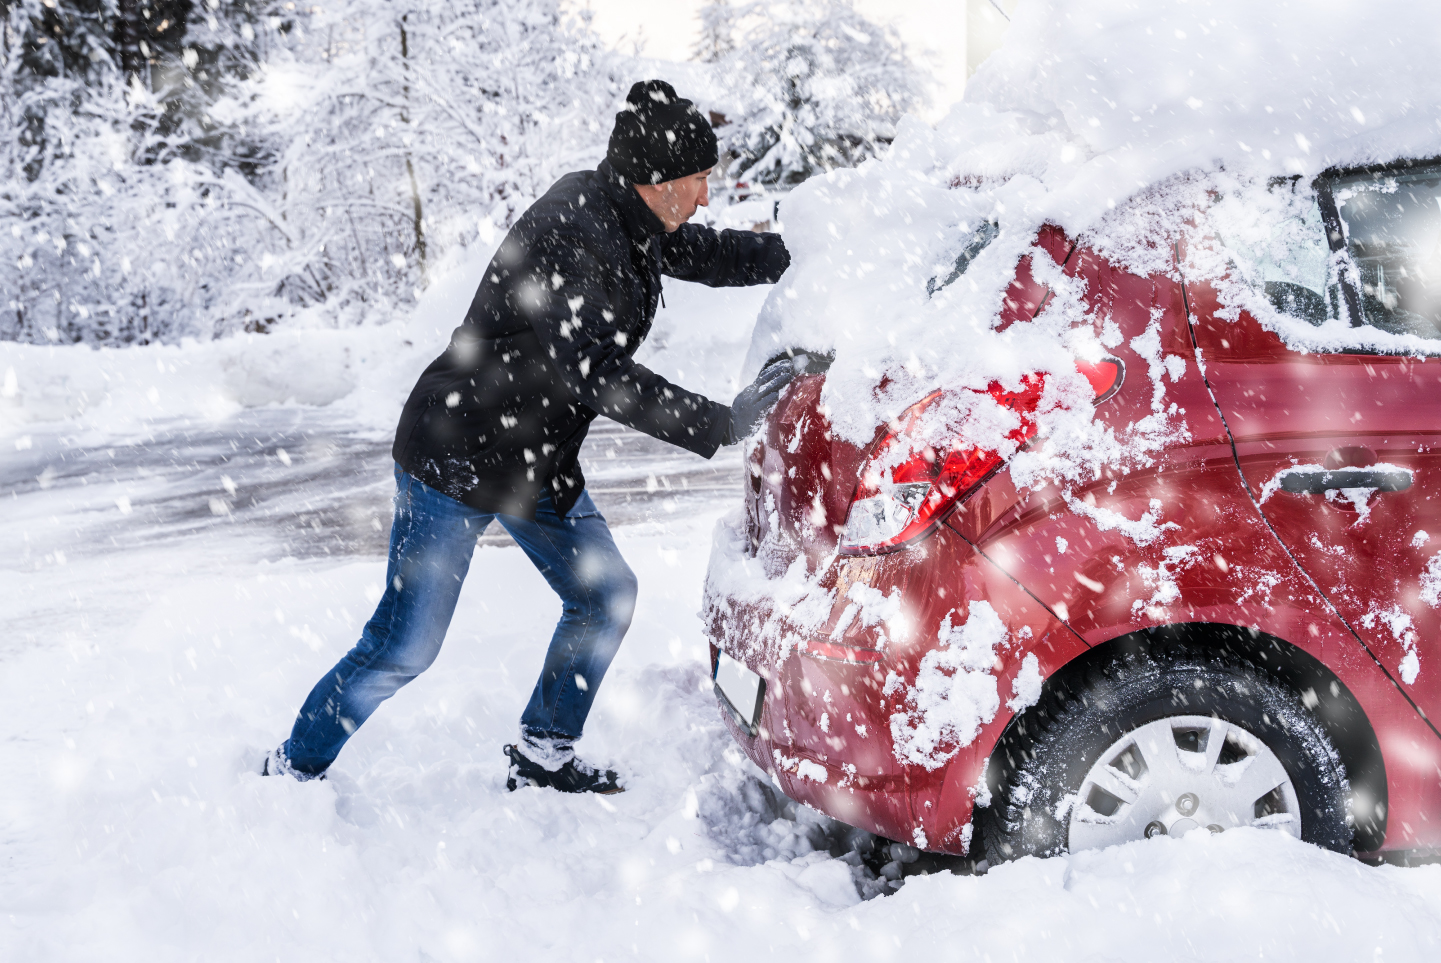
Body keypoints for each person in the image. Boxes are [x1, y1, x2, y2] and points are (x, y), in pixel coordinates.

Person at [262, 80, 796, 794]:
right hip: (456, 454)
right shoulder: (577, 231)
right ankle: (292, 768)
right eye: (697, 181)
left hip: (532, 457)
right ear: (656, 179)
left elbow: (701, 251)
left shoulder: (627, 215)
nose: (704, 197)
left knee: (604, 597)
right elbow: (598, 374)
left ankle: (544, 749)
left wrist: (798, 254)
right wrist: (720, 421)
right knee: (404, 644)